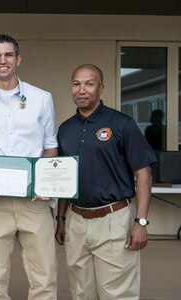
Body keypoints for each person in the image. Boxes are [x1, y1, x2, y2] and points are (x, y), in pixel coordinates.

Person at [0, 34, 58, 300]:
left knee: (44, 276)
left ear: (18, 59)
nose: (2, 60)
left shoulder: (41, 98)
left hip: (34, 200)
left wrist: (45, 183)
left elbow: (51, 146)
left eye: (8, 55)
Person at [55, 64, 157, 300]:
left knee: (117, 294)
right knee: (82, 292)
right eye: (76, 83)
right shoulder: (65, 129)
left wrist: (140, 222)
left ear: (101, 88)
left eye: (89, 84)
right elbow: (63, 179)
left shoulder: (122, 124)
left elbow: (143, 174)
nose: (82, 90)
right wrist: (61, 219)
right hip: (76, 221)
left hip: (114, 220)